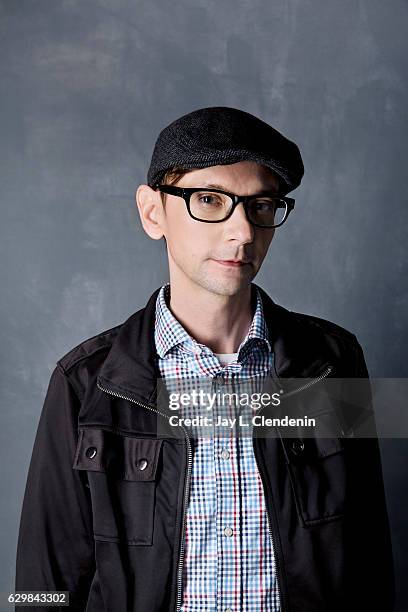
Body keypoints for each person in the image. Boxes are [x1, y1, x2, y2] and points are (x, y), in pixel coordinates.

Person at [15, 106, 395, 611]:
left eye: (261, 206)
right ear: (154, 213)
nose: (242, 233)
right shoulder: (87, 382)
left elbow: (369, 558)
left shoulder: (333, 361)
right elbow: (43, 584)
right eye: (210, 200)